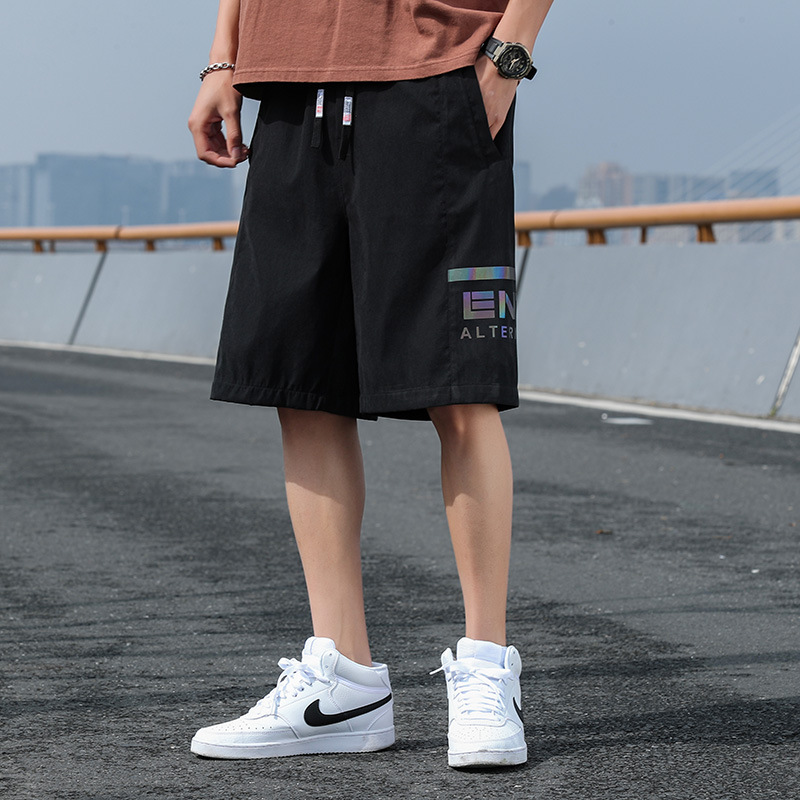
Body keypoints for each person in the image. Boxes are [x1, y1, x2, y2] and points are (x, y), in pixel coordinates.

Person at [188, 0, 554, 768]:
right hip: (290, 89)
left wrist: (508, 58)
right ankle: (343, 683)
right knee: (302, 385)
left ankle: (488, 669)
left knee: (462, 384)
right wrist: (224, 57)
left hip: (436, 78)